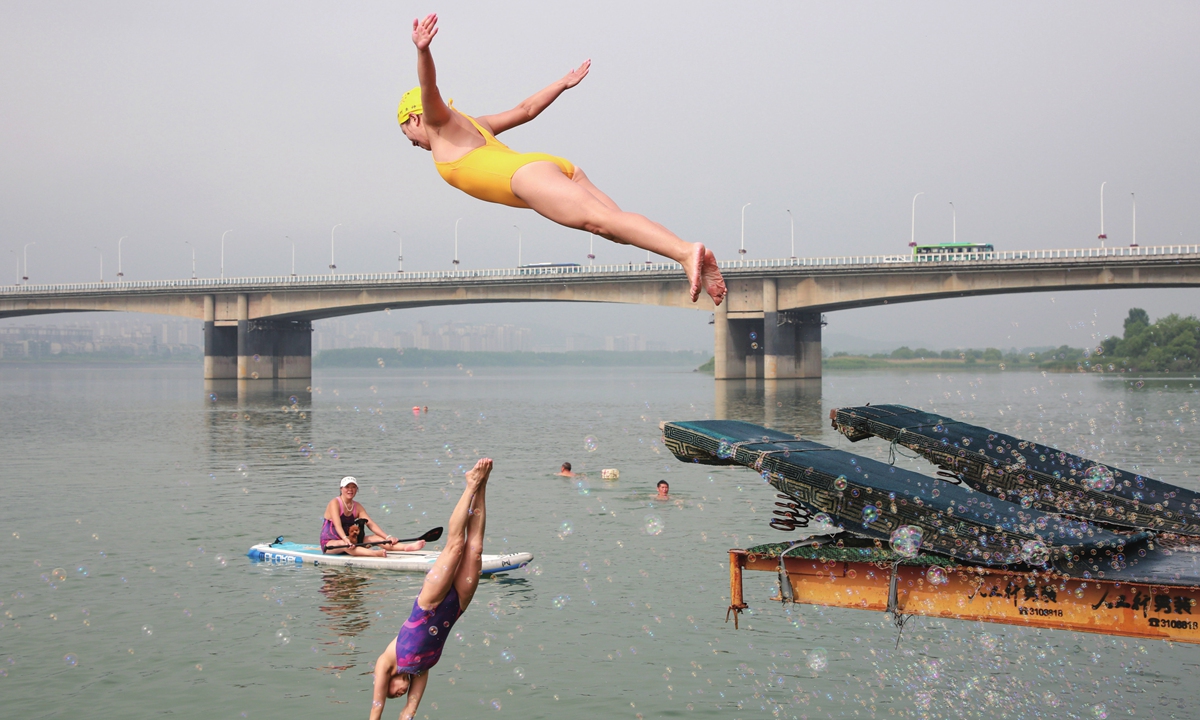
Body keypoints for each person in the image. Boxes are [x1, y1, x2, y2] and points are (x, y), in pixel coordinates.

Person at [399, 14, 727, 307]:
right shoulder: (475, 124)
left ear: (415, 118)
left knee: (604, 222)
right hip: (555, 168)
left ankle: (686, 252)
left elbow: (429, 86)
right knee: (615, 227)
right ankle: (691, 255)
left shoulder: (437, 124)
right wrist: (561, 83)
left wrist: (423, 51)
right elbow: (525, 110)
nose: (414, 144)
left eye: (407, 135)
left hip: (528, 177)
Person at [371, 458, 493, 720]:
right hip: (457, 606)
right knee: (476, 547)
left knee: (456, 546)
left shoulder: (385, 663)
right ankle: (482, 485)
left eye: (391, 694)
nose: (396, 696)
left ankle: (469, 485)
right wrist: (407, 711)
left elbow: (375, 711)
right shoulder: (420, 671)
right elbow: (409, 712)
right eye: (397, 697)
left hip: (428, 606)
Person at [321, 477, 426, 557]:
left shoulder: (357, 506)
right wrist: (345, 539)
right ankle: (374, 554)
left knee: (376, 538)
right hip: (330, 543)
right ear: (341, 489)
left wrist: (387, 537)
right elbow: (337, 525)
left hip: (351, 540)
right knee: (345, 544)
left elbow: (370, 523)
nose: (350, 490)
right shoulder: (334, 503)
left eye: (353, 487)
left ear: (357, 489)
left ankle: (406, 547)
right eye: (347, 487)